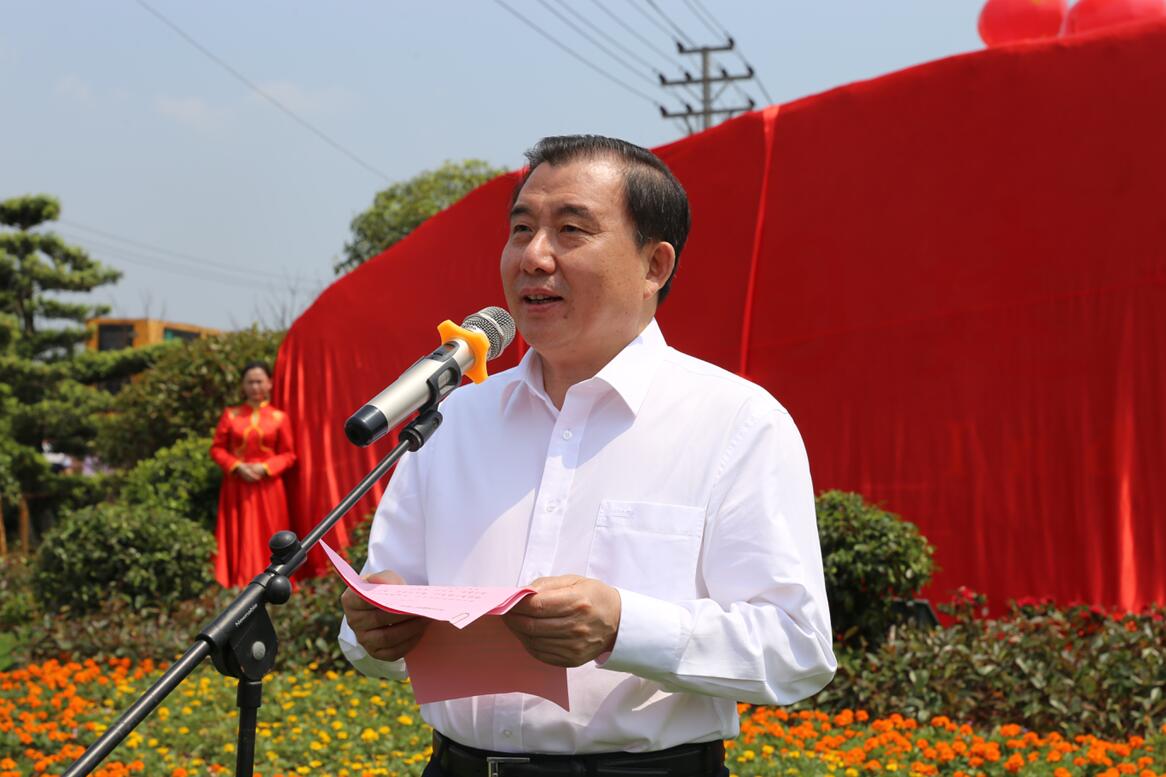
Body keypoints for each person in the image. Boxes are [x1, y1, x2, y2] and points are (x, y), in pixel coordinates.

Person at [339, 135, 835, 775]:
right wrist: (373, 631)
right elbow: (377, 623)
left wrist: (623, 626)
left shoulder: (736, 422)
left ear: (654, 265)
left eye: (571, 230)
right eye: (521, 229)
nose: (534, 256)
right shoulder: (453, 420)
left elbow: (797, 648)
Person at [210, 360, 296, 588]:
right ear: (243, 385)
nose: (255, 387)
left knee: (270, 532)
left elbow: (289, 455)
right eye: (250, 382)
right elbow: (217, 449)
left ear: (269, 383)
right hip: (237, 485)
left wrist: (265, 468)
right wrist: (236, 466)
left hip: (269, 487)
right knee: (239, 534)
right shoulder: (231, 415)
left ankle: (275, 580)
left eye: (259, 382)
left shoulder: (279, 418)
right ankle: (238, 581)